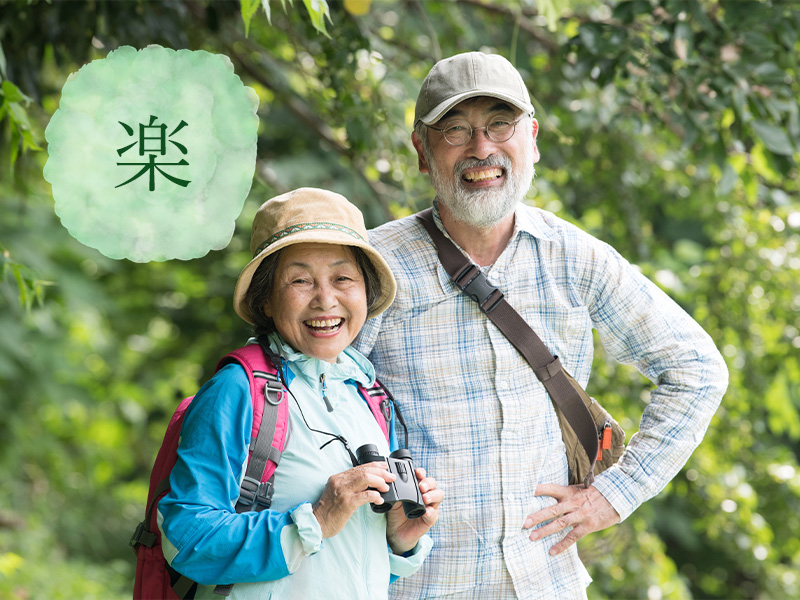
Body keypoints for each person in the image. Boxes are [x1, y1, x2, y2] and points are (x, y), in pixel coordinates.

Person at [353, 52, 729, 598]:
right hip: (414, 584)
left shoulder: (573, 256)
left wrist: (615, 494)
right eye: (455, 130)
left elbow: (697, 369)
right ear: (421, 151)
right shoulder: (369, 266)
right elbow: (303, 400)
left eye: (499, 125)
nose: (481, 148)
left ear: (532, 138)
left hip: (545, 582)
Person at [157, 187, 443, 599]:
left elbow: (339, 567)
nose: (326, 300)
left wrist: (399, 539)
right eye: (300, 280)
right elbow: (184, 538)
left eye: (343, 278)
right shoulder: (238, 389)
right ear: (267, 299)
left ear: (365, 291)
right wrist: (318, 518)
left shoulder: (366, 395)